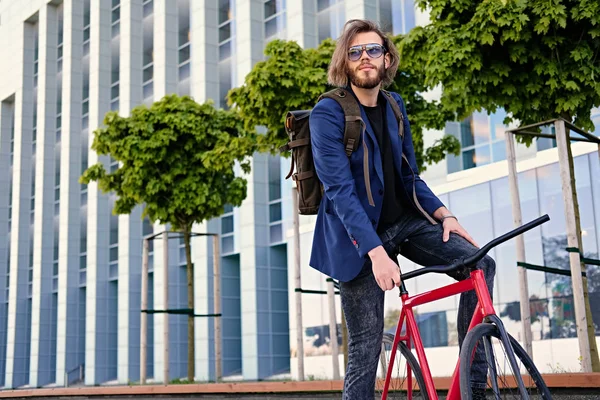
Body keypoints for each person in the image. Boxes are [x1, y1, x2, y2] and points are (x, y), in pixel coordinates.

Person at [308, 19, 496, 400]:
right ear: (345, 63)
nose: (365, 58)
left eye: (373, 50)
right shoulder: (327, 113)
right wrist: (376, 253)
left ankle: (473, 388)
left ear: (387, 58)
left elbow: (409, 176)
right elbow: (340, 191)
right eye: (356, 52)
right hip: (356, 237)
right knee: (365, 347)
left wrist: (446, 215)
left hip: (404, 224)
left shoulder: (395, 106)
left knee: (481, 264)